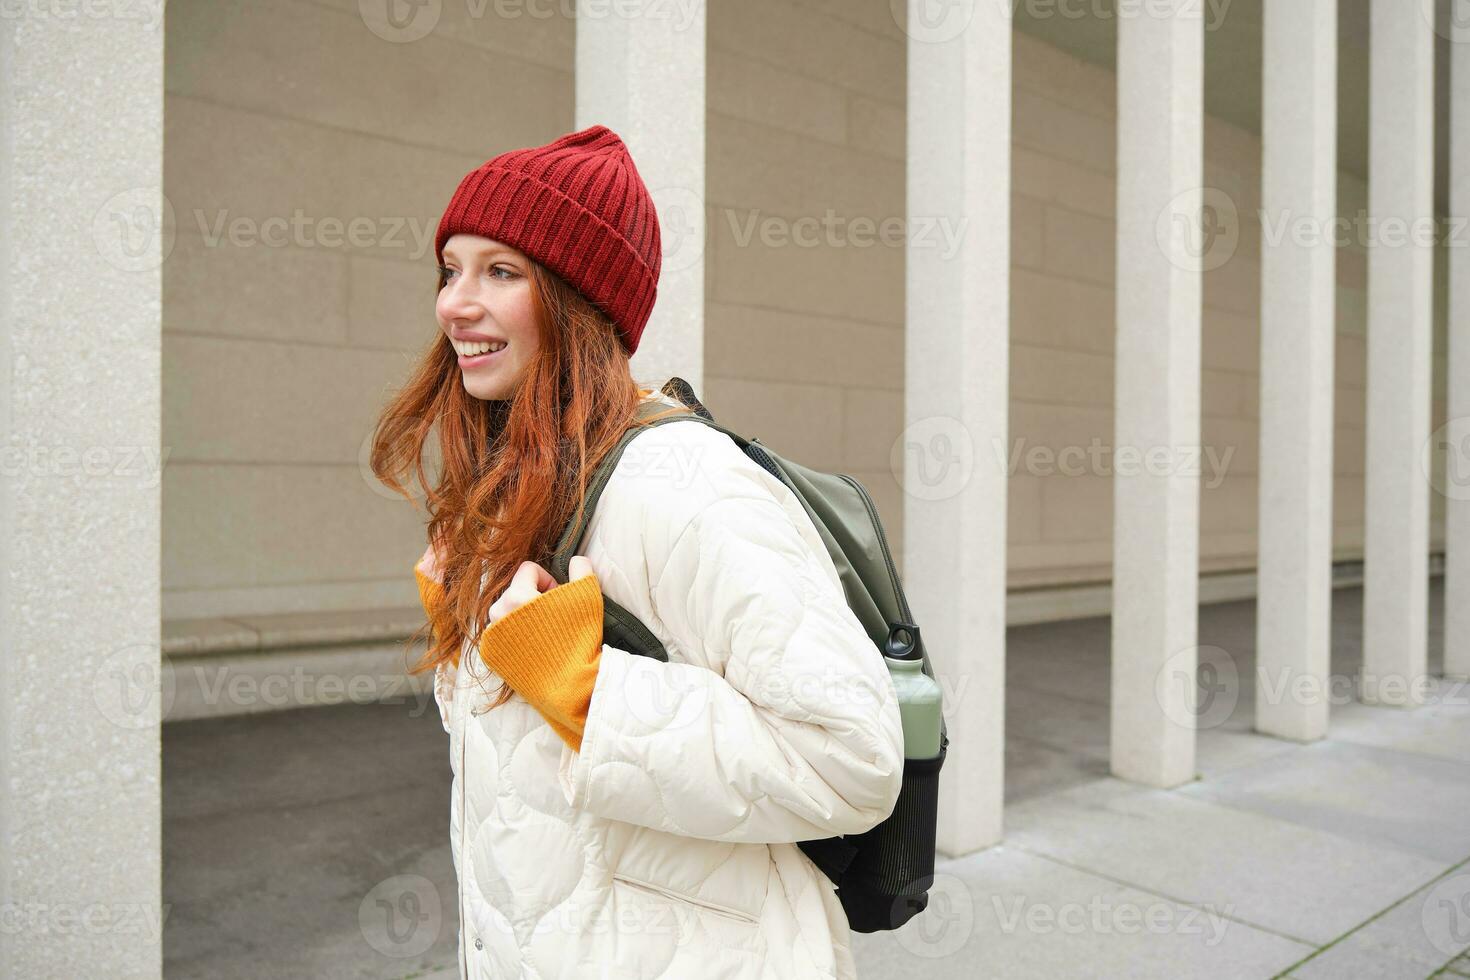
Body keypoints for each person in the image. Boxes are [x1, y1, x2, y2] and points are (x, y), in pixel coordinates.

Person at [370, 123, 904, 980]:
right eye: (451, 268)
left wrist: (583, 685)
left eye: (500, 272)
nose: (453, 304)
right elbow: (529, 778)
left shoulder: (686, 485)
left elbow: (851, 758)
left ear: (580, 304)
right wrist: (478, 651)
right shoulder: (529, 480)